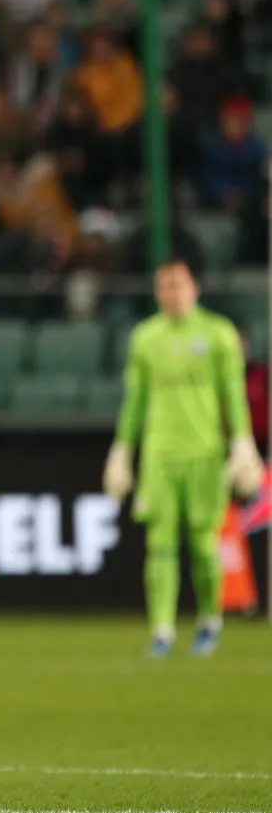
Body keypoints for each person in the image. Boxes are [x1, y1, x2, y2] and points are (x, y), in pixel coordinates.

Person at [103, 255, 262, 658]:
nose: (170, 294)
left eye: (177, 285)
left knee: (204, 543)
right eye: (163, 287)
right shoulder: (146, 337)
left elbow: (233, 394)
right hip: (159, 454)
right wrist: (122, 451)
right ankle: (163, 631)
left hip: (205, 451)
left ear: (195, 287)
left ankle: (210, 621)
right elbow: (135, 401)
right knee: (159, 544)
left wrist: (243, 442)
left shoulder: (218, 333)